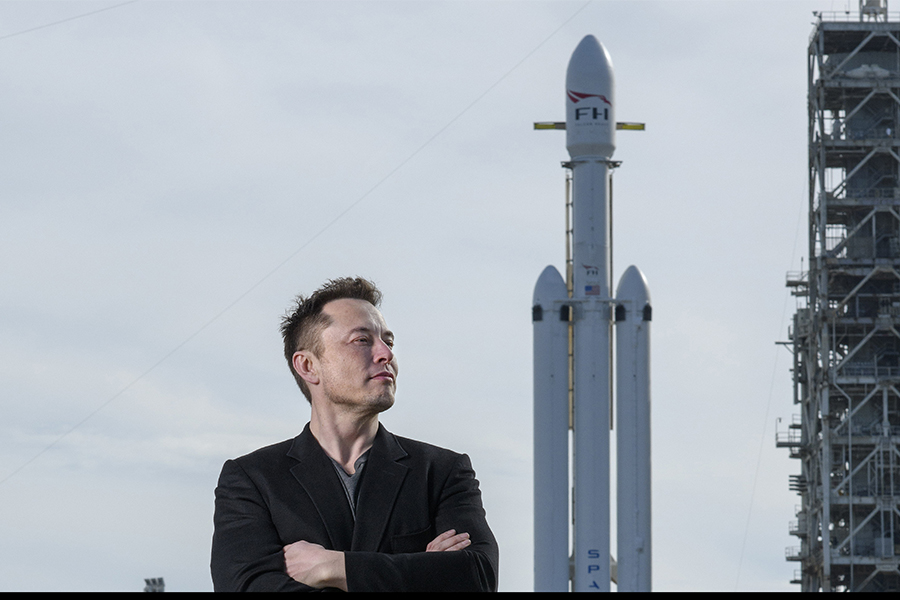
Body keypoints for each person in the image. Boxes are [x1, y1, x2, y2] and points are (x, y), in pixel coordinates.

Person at [210, 277, 499, 592]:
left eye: (388, 340)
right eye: (362, 340)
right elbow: (246, 587)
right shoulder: (252, 480)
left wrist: (333, 567)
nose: (385, 353)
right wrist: (421, 572)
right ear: (308, 365)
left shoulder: (442, 472)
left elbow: (478, 577)